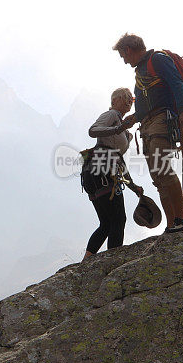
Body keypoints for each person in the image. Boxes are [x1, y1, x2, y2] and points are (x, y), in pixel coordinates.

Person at [113, 33, 183, 233]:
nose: (124, 61)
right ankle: (171, 223)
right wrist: (134, 117)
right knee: (157, 177)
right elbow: (145, 102)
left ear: (128, 50)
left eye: (123, 56)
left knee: (163, 169)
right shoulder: (141, 71)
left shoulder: (157, 59)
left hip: (161, 121)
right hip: (148, 125)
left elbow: (176, 83)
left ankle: (181, 219)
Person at [81, 87, 143, 261]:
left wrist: (133, 186)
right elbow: (93, 130)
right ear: (114, 101)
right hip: (102, 172)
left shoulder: (123, 129)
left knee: (107, 223)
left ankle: (86, 262)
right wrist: (118, 128)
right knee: (118, 219)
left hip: (97, 172)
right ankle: (113, 261)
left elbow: (119, 160)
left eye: (129, 99)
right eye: (124, 98)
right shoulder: (112, 115)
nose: (128, 101)